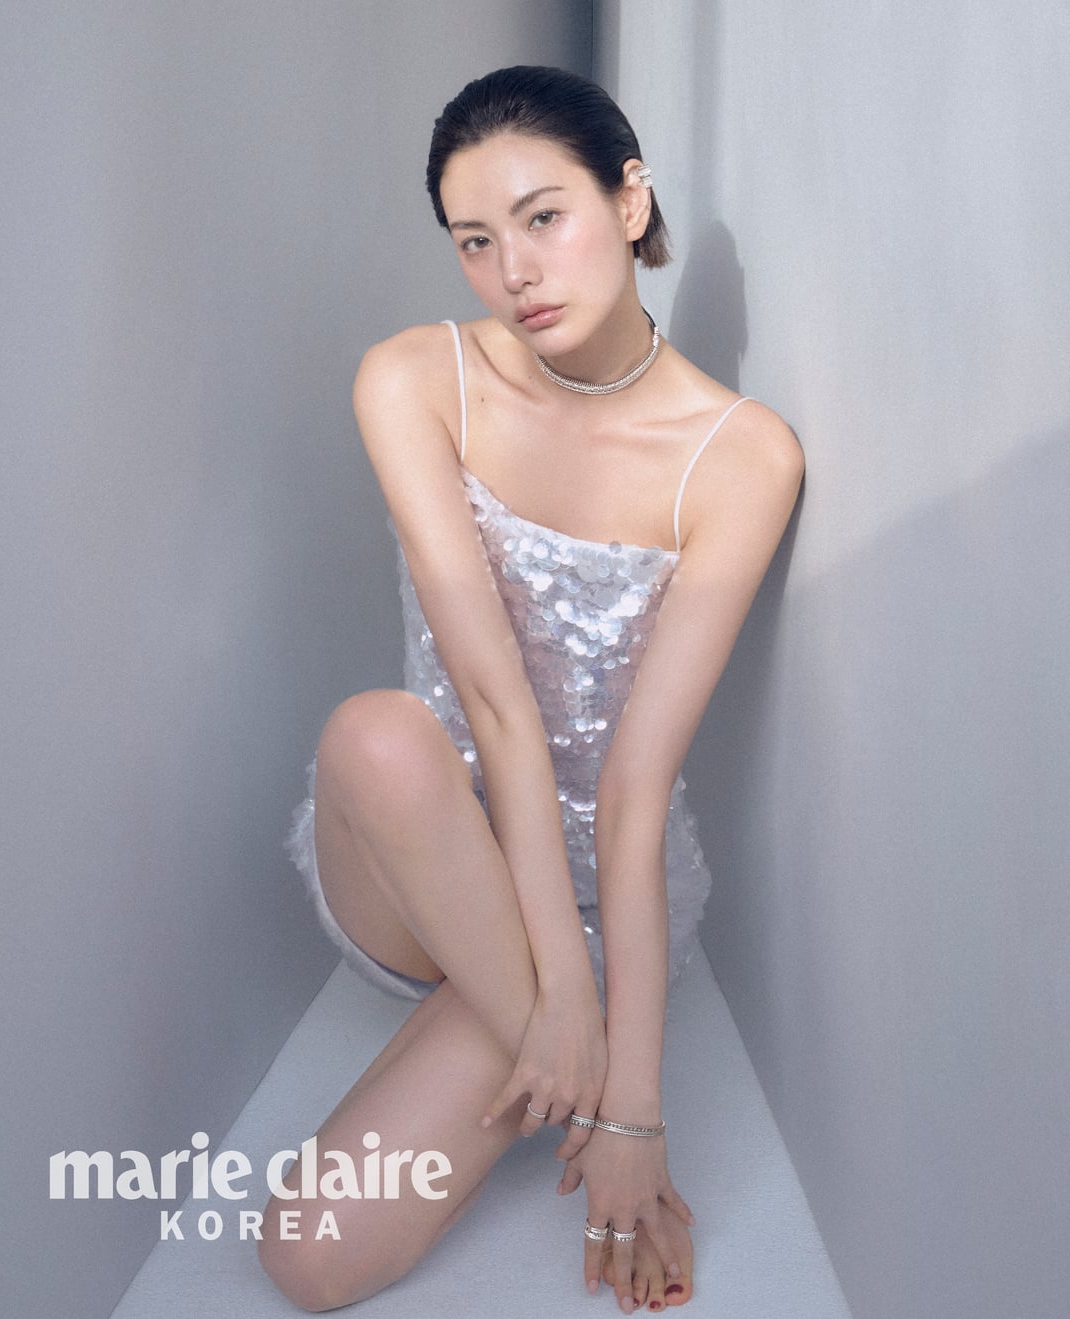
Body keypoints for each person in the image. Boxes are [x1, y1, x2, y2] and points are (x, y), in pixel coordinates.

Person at [260, 65, 804, 1314]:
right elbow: (493, 702)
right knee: (380, 736)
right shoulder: (416, 378)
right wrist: (612, 1096)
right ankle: (573, 1063)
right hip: (416, 855)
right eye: (474, 240)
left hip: (605, 894)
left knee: (307, 1254)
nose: (513, 269)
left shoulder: (741, 456)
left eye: (543, 216)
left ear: (628, 200)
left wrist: (632, 1087)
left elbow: (634, 786)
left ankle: (556, 1042)